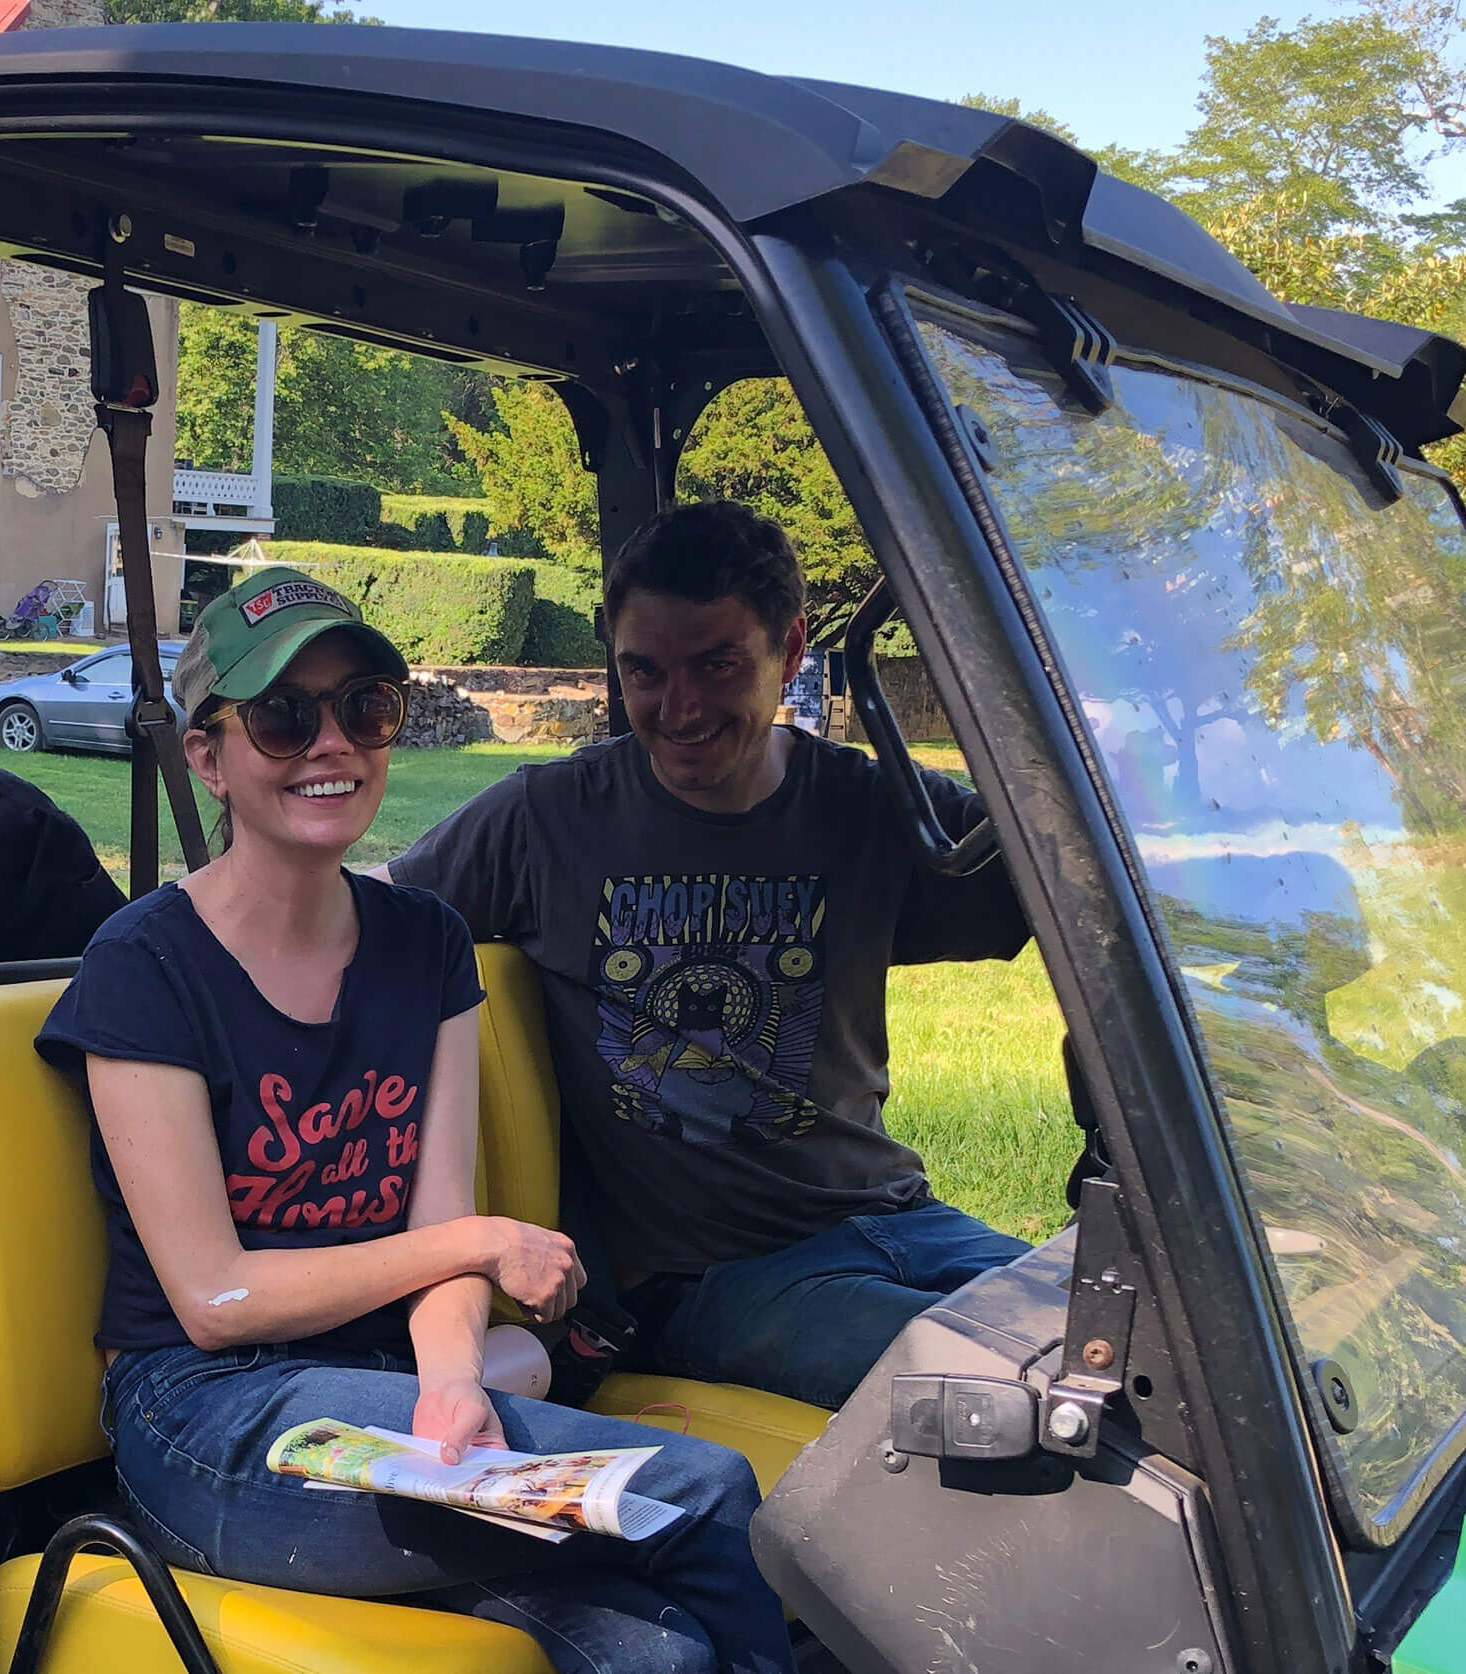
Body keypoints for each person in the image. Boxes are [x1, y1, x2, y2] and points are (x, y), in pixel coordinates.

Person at [37, 566, 795, 1674]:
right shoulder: (145, 966)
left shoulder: (425, 944)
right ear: (208, 756)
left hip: (387, 1400)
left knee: (659, 1655)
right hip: (212, 1425)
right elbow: (212, 1299)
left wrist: (452, 1382)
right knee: (700, 1490)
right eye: (284, 717)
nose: (331, 744)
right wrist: (480, 1248)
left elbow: (433, 1222)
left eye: (365, 708)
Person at [378, 502, 1035, 1413]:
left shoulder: (869, 806)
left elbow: (1067, 893)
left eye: (716, 664)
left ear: (792, 650)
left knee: (1145, 1344)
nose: (677, 709)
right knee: (1004, 1385)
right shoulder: (548, 820)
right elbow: (360, 928)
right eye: (644, 671)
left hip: (901, 1218)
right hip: (711, 1280)